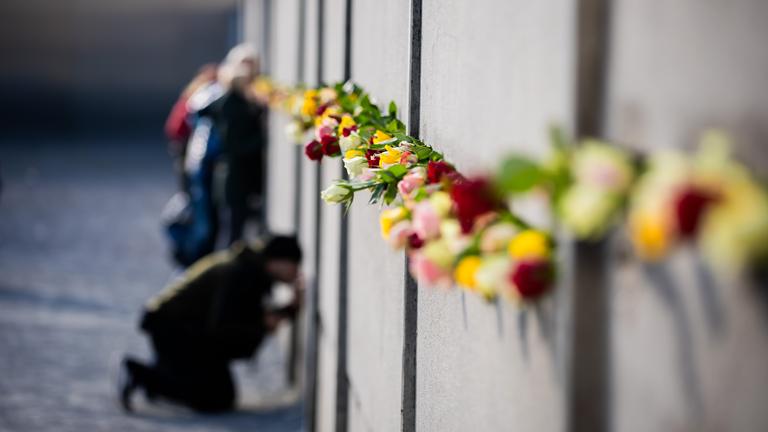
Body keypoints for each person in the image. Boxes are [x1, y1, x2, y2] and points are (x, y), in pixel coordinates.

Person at [119, 235, 303, 413]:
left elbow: (239, 318)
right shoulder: (241, 274)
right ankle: (144, 376)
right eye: (294, 264)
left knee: (221, 393)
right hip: (171, 329)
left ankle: (165, 375)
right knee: (214, 397)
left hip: (181, 327)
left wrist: (284, 313)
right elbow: (225, 327)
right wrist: (262, 325)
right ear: (278, 261)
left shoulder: (248, 269)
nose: (296, 272)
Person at [209, 44, 269, 244]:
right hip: (234, 176)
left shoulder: (249, 97)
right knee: (234, 232)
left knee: (244, 230)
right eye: (244, 65)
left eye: (252, 65)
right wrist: (262, 138)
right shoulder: (230, 101)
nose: (249, 71)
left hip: (245, 175)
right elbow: (233, 143)